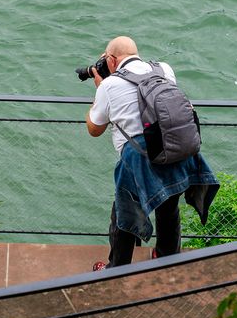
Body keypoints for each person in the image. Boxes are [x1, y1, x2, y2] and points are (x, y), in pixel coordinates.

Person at [85, 35, 219, 270]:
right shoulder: (164, 69)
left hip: (139, 159)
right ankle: (167, 257)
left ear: (111, 60)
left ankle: (116, 268)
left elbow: (94, 129)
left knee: (124, 215)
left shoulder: (108, 85)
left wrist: (99, 92)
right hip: (174, 147)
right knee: (168, 205)